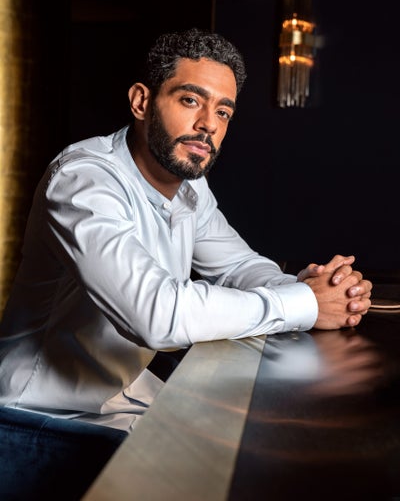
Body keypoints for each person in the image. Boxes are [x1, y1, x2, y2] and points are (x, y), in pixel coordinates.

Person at [0, 28, 371, 496]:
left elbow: (238, 266)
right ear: (141, 101)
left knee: (264, 450)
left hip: (121, 401)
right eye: (191, 100)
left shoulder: (190, 188)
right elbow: (156, 314)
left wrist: (316, 289)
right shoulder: (82, 180)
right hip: (37, 421)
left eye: (223, 111)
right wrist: (305, 304)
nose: (208, 124)